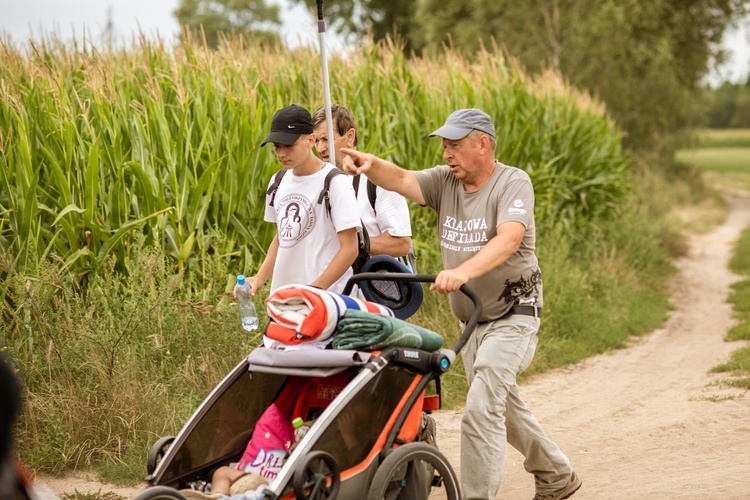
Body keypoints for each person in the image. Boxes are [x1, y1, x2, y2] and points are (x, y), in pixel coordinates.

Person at [340, 108, 581, 500]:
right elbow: (401, 179)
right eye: (445, 146)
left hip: (514, 311)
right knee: (501, 404)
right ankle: (555, 473)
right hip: (472, 321)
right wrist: (369, 164)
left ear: (482, 144)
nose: (447, 154)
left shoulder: (512, 183)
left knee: (481, 408)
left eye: (455, 146)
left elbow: (509, 239)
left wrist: (464, 272)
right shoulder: (444, 182)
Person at [240, 104, 361, 349]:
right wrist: (259, 279)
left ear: (310, 140)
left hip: (324, 307)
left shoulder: (335, 182)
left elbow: (350, 249)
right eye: (277, 147)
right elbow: (282, 237)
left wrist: (313, 291)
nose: (282, 153)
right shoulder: (278, 181)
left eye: (289, 145)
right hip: (284, 306)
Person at [311, 104, 414, 266]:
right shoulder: (316, 183)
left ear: (350, 136)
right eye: (316, 141)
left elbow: (401, 244)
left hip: (375, 285)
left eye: (326, 139)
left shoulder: (378, 181)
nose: (320, 148)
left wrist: (352, 245)